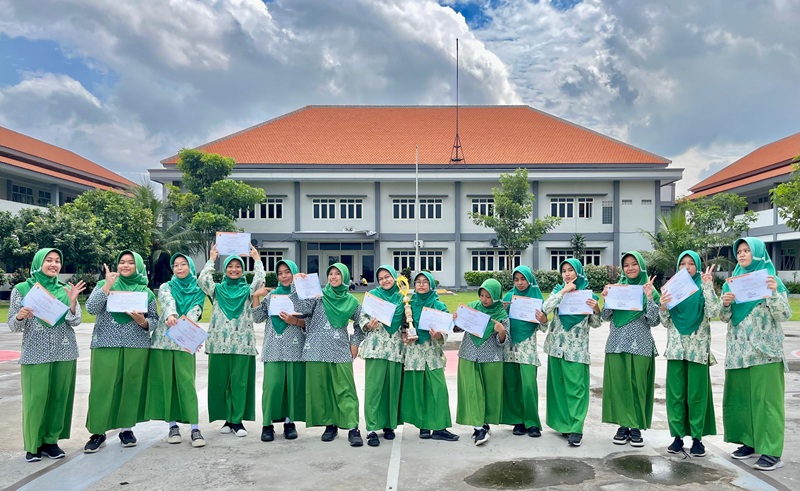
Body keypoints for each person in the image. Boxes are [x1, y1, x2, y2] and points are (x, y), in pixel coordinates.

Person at [8, 248, 86, 462]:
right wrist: (21, 316)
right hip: (35, 352)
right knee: (36, 399)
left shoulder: (65, 289)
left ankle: (51, 442)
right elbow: (13, 325)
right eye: (49, 260)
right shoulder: (22, 289)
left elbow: (76, 320)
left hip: (65, 350)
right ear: (39, 263)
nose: (54, 264)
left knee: (59, 397)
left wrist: (72, 301)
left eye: (57, 261)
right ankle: (33, 445)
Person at [720, 238, 790, 471]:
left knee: (767, 402)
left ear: (758, 253)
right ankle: (749, 443)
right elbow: (724, 317)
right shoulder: (732, 283)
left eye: (747, 250)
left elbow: (784, 314)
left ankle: (771, 451)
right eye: (739, 251)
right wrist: (726, 304)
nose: (741, 254)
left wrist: (772, 293)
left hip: (765, 352)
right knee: (742, 402)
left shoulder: (772, 281)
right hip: (739, 353)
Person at [84, 250, 158, 453]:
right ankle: (98, 432)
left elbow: (154, 321)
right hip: (105, 344)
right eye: (122, 262)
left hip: (136, 345)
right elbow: (91, 308)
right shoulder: (105, 285)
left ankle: (126, 430)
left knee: (130, 387)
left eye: (130, 263)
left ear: (138, 267)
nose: (125, 266)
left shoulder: (146, 292)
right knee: (102, 387)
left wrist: (143, 322)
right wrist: (107, 284)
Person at [291, 263, 364, 446]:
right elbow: (300, 307)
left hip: (340, 349)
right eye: (330, 273)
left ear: (345, 277)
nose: (333, 277)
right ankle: (330, 425)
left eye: (337, 274)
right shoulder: (318, 296)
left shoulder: (352, 302)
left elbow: (361, 323)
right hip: (315, 348)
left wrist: (355, 343)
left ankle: (353, 427)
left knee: (345, 389)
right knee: (322, 390)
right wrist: (296, 284)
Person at [198, 244, 265, 437]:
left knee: (240, 383)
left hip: (242, 345)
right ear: (225, 269)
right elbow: (203, 280)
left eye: (238, 267)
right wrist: (212, 258)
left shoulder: (247, 290)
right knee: (221, 383)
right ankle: (227, 419)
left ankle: (237, 421)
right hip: (219, 344)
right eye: (230, 266)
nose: (234, 270)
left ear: (242, 270)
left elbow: (259, 280)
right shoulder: (217, 290)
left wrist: (256, 258)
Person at [659, 251, 717, 457]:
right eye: (682, 263)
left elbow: (713, 312)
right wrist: (663, 306)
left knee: (696, 396)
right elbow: (665, 322)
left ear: (697, 266)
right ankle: (677, 437)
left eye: (691, 263)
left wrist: (708, 286)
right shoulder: (672, 290)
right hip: (676, 351)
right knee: (675, 395)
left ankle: (697, 439)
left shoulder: (702, 289)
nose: (686, 267)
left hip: (698, 351)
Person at [145, 253, 207, 448]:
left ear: (190, 266)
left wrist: (185, 324)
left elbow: (196, 310)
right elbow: (167, 301)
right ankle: (172, 426)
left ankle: (195, 428)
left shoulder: (198, 289)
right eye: (176, 265)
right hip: (162, 342)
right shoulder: (166, 286)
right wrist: (171, 315)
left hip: (184, 340)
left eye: (183, 264)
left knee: (186, 383)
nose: (179, 268)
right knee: (167, 384)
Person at [601, 251, 660, 447]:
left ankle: (635, 427)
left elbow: (654, 320)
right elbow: (606, 316)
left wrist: (650, 298)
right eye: (626, 265)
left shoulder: (649, 290)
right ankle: (622, 425)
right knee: (619, 386)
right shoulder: (618, 288)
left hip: (640, 345)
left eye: (634, 264)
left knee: (637, 386)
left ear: (641, 266)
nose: (630, 268)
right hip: (616, 343)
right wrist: (607, 296)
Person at [542, 259, 601, 447]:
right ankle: (563, 425)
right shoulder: (558, 291)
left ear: (578, 272)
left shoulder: (587, 293)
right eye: (564, 271)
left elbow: (596, 323)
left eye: (571, 270)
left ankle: (576, 428)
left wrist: (596, 309)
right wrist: (563, 292)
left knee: (576, 389)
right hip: (556, 347)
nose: (567, 274)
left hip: (577, 350)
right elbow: (545, 308)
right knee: (558, 388)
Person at [252, 259, 306, 442]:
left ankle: (289, 423)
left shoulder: (302, 295)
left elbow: (311, 321)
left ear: (294, 272)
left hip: (295, 347)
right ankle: (267, 425)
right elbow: (258, 318)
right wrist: (256, 297)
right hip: (273, 348)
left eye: (287, 272)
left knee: (291, 386)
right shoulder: (271, 295)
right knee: (272, 387)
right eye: (280, 273)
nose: (283, 276)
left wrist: (295, 321)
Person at [400, 271, 458, 441]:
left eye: (425, 282)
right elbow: (403, 329)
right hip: (414, 355)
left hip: (432, 354)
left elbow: (445, 332)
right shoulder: (409, 305)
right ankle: (423, 426)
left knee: (437, 390)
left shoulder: (439, 306)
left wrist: (438, 335)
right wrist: (406, 336)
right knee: (419, 391)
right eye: (418, 282)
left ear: (431, 285)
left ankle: (440, 428)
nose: (421, 284)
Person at [454, 278, 509, 446]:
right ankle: (478, 428)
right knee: (472, 391)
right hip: (468, 355)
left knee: (489, 393)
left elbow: (505, 342)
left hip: (491, 358)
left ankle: (484, 424)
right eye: (482, 295)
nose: (484, 300)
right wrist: (457, 320)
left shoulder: (501, 314)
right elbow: (458, 329)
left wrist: (501, 331)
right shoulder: (472, 308)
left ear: (497, 297)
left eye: (488, 296)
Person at [358, 265, 405, 447]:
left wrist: (406, 331)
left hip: (395, 349)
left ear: (394, 277)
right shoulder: (373, 297)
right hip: (376, 348)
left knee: (391, 389)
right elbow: (361, 318)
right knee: (374, 388)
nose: (385, 280)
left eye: (388, 277)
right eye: (381, 278)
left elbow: (406, 322)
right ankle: (371, 429)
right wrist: (369, 325)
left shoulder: (402, 298)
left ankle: (388, 425)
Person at [501, 266, 548, 438]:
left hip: (527, 348)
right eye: (516, 279)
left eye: (523, 279)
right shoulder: (509, 297)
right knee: (512, 385)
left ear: (530, 280)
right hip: (509, 348)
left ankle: (532, 422)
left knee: (528, 385)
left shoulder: (537, 298)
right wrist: (503, 309)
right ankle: (518, 421)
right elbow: (500, 319)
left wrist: (543, 319)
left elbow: (543, 327)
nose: (520, 283)